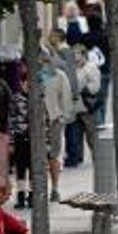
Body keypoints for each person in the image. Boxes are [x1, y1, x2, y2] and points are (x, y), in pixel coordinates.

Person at [49, 29, 88, 167]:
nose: (49, 37)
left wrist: (74, 93)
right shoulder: (62, 52)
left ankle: (72, 155)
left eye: (51, 35)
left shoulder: (64, 52)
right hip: (64, 92)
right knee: (68, 125)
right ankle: (73, 154)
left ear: (57, 37)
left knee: (70, 125)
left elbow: (70, 73)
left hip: (65, 93)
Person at [40, 52, 74, 203]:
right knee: (38, 156)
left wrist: (63, 118)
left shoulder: (60, 76)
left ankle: (54, 188)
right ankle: (40, 189)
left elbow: (66, 97)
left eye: (46, 61)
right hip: (37, 121)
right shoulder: (33, 76)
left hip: (54, 120)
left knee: (54, 155)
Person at [81, 12, 111, 125]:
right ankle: (101, 120)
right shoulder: (105, 37)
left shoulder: (85, 38)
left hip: (89, 71)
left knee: (90, 95)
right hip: (104, 70)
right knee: (102, 96)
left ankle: (92, 118)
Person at [9, 73, 31, 209]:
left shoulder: (39, 98)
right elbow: (10, 120)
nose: (28, 86)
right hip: (20, 138)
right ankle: (21, 195)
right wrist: (11, 141)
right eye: (26, 83)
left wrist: (47, 142)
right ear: (22, 84)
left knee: (34, 169)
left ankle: (33, 195)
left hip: (35, 139)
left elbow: (45, 121)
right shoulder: (16, 99)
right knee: (21, 169)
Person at [72, 44, 99, 156]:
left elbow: (95, 86)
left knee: (91, 133)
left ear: (83, 55)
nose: (74, 56)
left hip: (86, 105)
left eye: (76, 53)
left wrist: (84, 89)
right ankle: (77, 156)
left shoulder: (91, 68)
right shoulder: (72, 68)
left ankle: (96, 154)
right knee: (75, 134)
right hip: (74, 106)